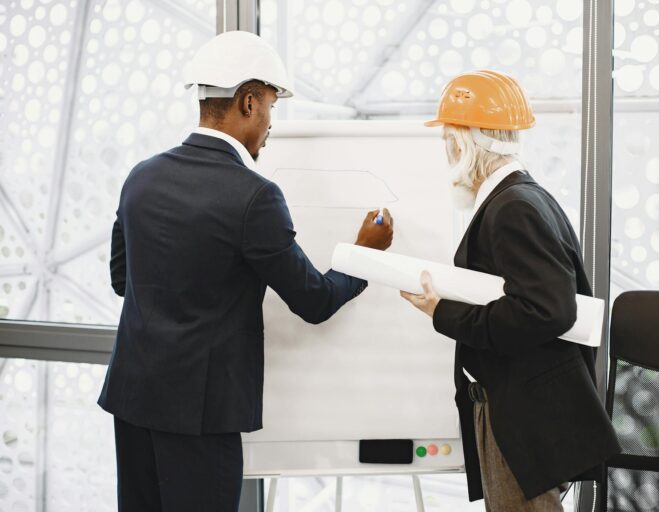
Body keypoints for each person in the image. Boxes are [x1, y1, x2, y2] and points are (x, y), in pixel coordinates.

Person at [98, 31, 393, 512]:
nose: (271, 124)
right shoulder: (254, 195)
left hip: (133, 402)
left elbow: (120, 280)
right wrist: (364, 254)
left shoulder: (142, 175)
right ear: (249, 102)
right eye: (272, 108)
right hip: (200, 418)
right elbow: (315, 301)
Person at [401, 70, 620, 511]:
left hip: (524, 421)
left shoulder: (514, 207)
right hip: (517, 411)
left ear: (465, 142)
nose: (446, 151)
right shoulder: (519, 198)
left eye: (449, 139)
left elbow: (546, 309)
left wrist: (443, 311)